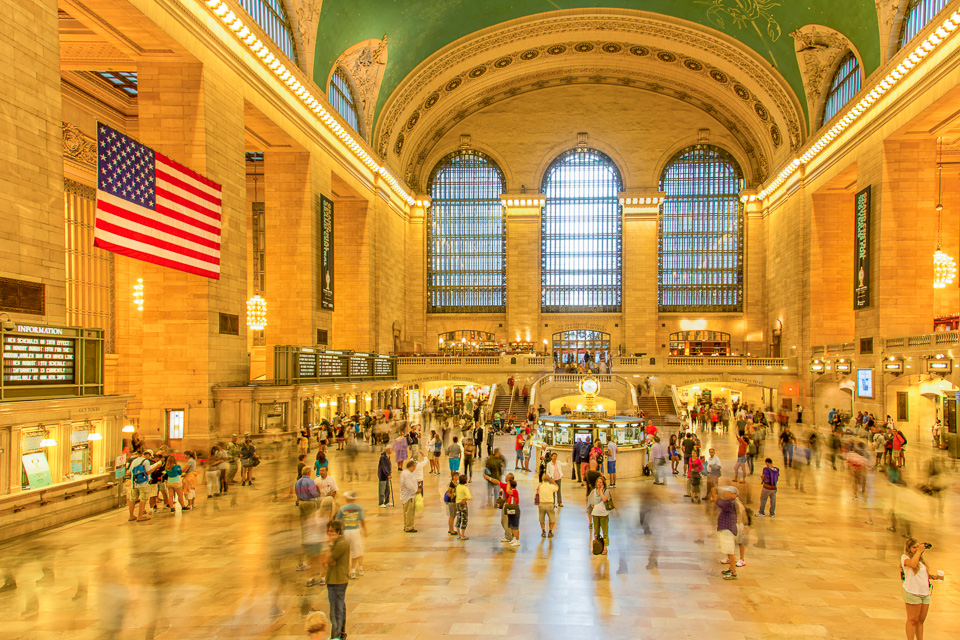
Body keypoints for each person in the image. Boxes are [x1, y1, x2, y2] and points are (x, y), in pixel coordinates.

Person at [902, 538, 945, 640]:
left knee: (921, 620)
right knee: (912, 619)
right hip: (912, 592)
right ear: (908, 548)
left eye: (918, 547)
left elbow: (920, 574)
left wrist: (933, 576)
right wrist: (919, 552)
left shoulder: (920, 560)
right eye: (914, 547)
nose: (916, 549)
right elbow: (913, 565)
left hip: (924, 593)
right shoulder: (905, 558)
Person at [324, 520, 350, 640]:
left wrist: (330, 546)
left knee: (335, 611)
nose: (329, 534)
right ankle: (341, 632)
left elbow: (329, 559)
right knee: (340, 607)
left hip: (337, 581)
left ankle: (336, 636)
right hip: (334, 579)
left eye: (331, 531)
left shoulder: (340, 543)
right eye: (328, 531)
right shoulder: (338, 543)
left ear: (338, 532)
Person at [335, 491, 366, 579]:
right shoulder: (358, 507)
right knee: (357, 550)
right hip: (355, 530)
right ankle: (354, 570)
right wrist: (364, 529)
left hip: (346, 531)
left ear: (347, 498)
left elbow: (338, 521)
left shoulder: (342, 508)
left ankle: (346, 569)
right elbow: (362, 520)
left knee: (346, 551)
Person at [126, 450, 161, 522]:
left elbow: (129, 472)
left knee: (132, 499)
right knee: (143, 499)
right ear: (147, 455)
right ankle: (140, 516)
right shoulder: (146, 461)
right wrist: (156, 466)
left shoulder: (134, 460)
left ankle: (131, 515)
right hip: (144, 483)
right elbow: (148, 472)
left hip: (134, 483)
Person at [716, 487, 739, 580]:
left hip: (728, 529)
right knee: (728, 552)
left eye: (729, 493)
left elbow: (721, 505)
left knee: (730, 552)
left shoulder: (731, 503)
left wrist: (716, 497)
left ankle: (733, 572)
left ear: (735, 494)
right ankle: (731, 568)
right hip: (726, 528)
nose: (727, 494)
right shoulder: (730, 502)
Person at [589, 475, 612, 554]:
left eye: (601, 482)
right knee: (596, 531)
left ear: (603, 484)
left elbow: (605, 499)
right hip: (595, 514)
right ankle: (597, 546)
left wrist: (601, 491)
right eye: (598, 482)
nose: (599, 484)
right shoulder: (593, 491)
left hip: (604, 514)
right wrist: (592, 505)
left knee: (605, 531)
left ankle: (605, 547)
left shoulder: (606, 491)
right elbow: (590, 500)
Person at [499, 474, 520, 546]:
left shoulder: (514, 491)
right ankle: (513, 538)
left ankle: (516, 539)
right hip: (511, 508)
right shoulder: (513, 491)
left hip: (514, 509)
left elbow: (507, 491)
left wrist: (508, 483)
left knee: (514, 525)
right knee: (511, 524)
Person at [400, 460, 419, 532]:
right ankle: (409, 527)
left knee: (406, 512)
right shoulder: (407, 474)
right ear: (411, 466)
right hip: (409, 496)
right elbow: (409, 485)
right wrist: (416, 490)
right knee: (409, 512)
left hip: (406, 495)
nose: (414, 469)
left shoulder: (404, 472)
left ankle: (406, 526)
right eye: (414, 467)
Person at [454, 475, 472, 540]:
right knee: (464, 519)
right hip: (463, 504)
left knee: (458, 518)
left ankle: (458, 534)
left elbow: (455, 494)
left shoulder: (458, 486)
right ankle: (463, 535)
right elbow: (469, 496)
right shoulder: (464, 488)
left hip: (457, 503)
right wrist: (465, 499)